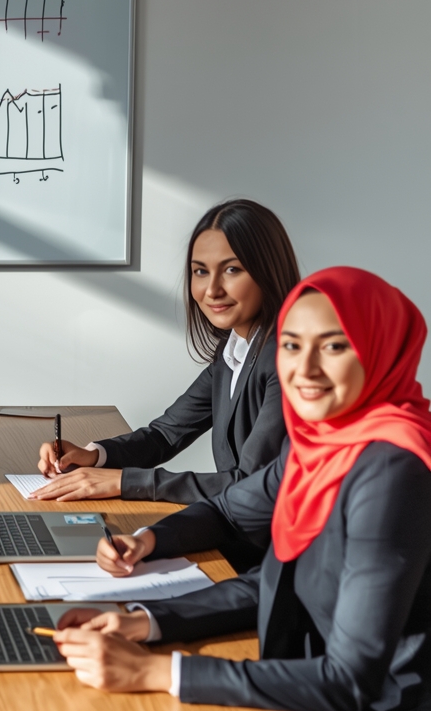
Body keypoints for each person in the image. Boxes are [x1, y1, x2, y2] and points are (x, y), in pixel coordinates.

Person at [51, 268, 431, 711]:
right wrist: (143, 619)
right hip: (317, 707)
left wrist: (156, 672)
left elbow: (349, 680)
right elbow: (253, 541)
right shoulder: (322, 446)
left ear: (379, 351)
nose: (305, 369)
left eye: (335, 346)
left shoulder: (394, 469)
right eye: (294, 346)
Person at [36, 199, 300, 568]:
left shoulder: (287, 360)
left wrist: (122, 482)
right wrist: (94, 456)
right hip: (232, 538)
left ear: (267, 271)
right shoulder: (234, 349)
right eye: (200, 272)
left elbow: (247, 484)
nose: (212, 290)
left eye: (232, 270)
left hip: (267, 559)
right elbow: (165, 433)